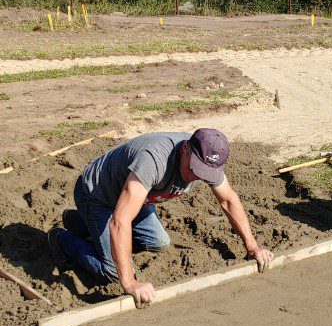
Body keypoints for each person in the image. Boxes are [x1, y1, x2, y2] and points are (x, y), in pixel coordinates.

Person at [47, 128, 274, 305]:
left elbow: (228, 200)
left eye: (203, 174)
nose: (195, 176)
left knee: (159, 242)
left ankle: (81, 222)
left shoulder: (208, 157)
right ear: (185, 148)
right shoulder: (153, 159)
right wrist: (130, 282)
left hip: (138, 198)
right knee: (113, 272)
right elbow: (120, 221)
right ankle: (62, 239)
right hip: (97, 195)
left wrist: (252, 247)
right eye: (193, 169)